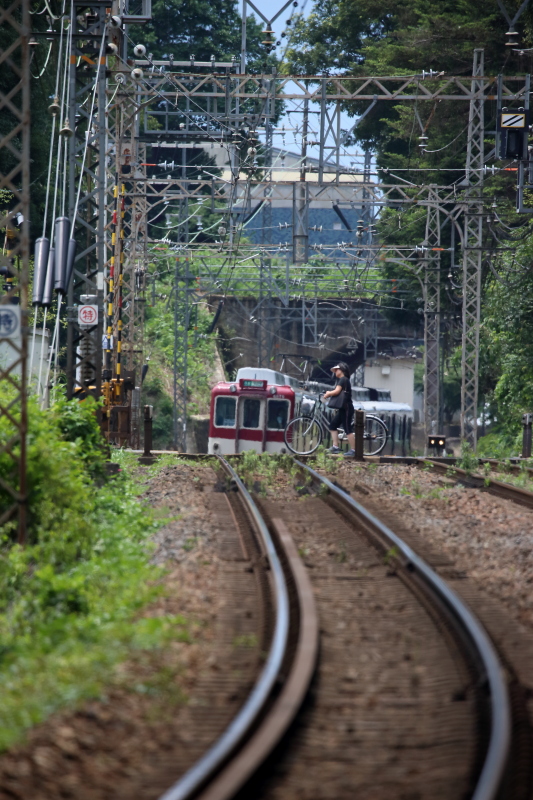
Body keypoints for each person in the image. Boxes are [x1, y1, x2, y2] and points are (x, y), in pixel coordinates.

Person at [322, 362, 356, 457]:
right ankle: (335, 447)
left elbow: (337, 392)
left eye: (337, 369)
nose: (335, 371)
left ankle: (354, 450)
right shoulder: (343, 380)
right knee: (333, 426)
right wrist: (329, 393)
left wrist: (328, 393)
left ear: (342, 370)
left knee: (347, 428)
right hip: (343, 408)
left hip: (346, 408)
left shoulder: (343, 379)